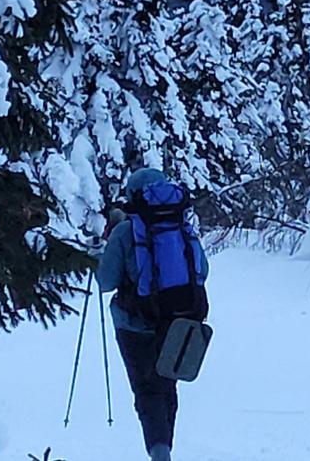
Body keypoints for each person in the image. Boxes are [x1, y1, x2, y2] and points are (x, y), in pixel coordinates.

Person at [96, 168, 210, 461]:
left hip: (134, 326)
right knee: (167, 387)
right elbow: (203, 270)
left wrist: (105, 246)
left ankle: (159, 453)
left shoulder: (124, 231)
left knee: (146, 391)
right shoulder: (181, 224)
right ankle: (165, 449)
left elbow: (105, 281)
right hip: (177, 322)